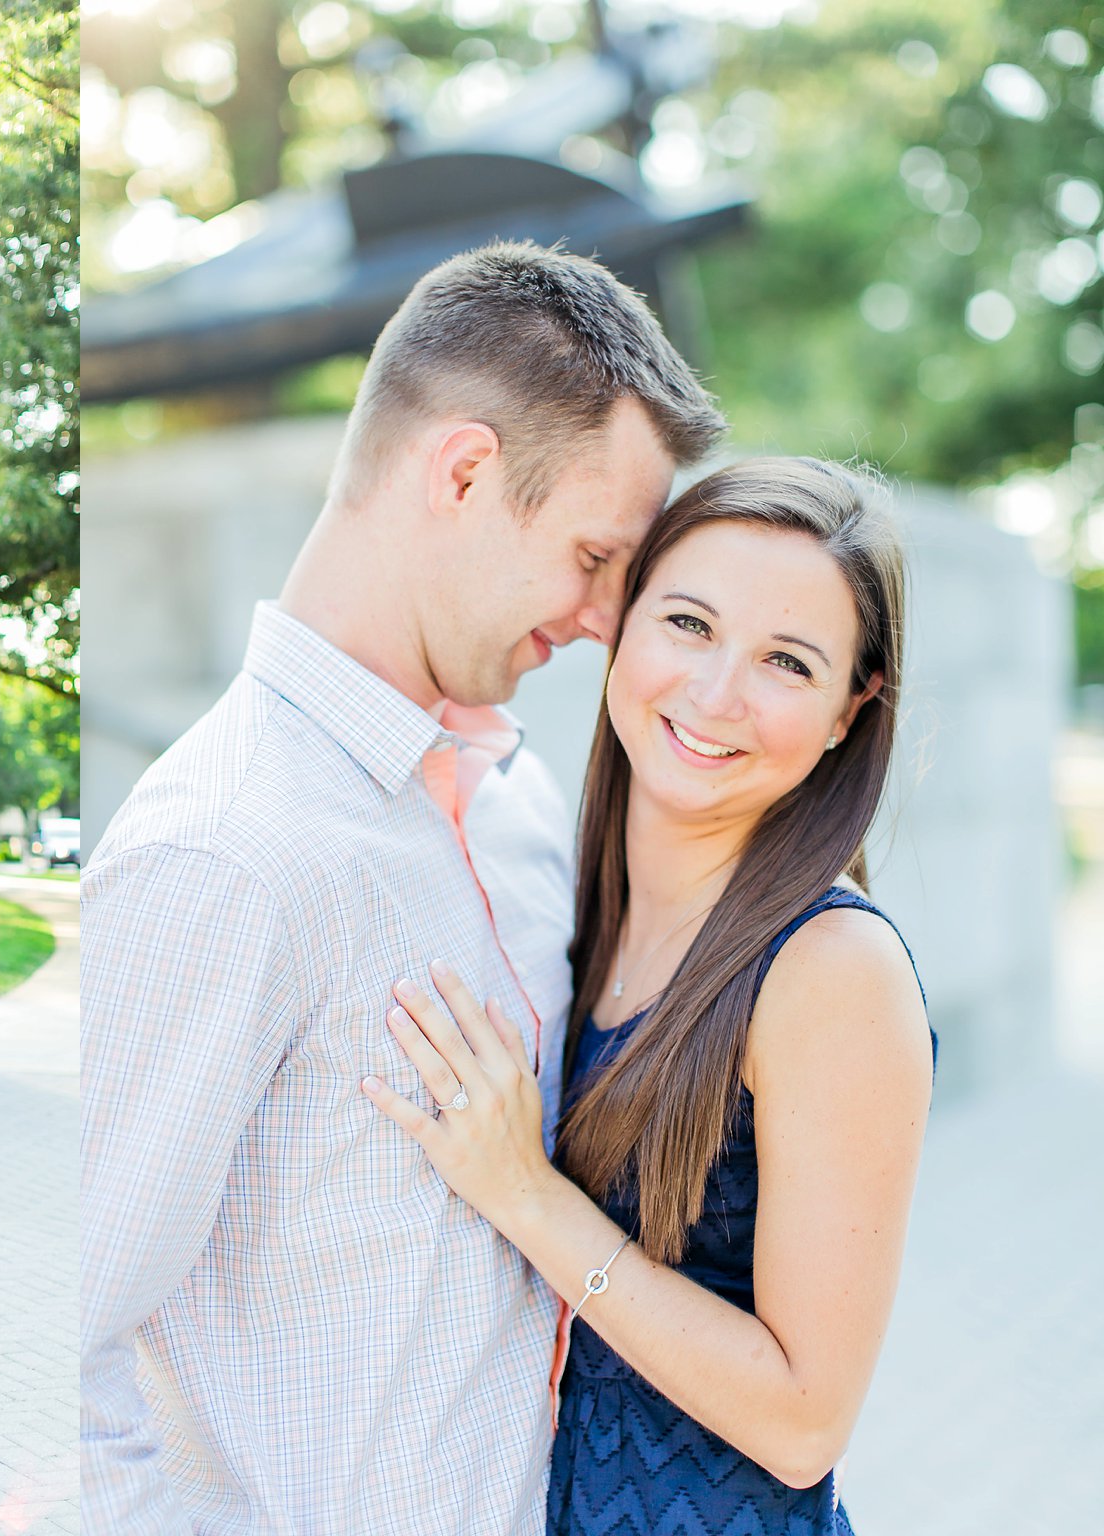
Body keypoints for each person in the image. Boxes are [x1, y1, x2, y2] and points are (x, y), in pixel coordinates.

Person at [79, 240, 725, 1534]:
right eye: (597, 556)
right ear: (466, 472)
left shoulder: (521, 803)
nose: (608, 617)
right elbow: (66, 1334)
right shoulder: (221, 853)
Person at [362, 458, 933, 1535]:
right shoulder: (576, 897)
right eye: (686, 623)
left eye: (785, 661)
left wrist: (526, 1196)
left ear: (846, 714)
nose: (714, 694)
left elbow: (805, 1420)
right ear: (618, 624)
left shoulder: (828, 970)